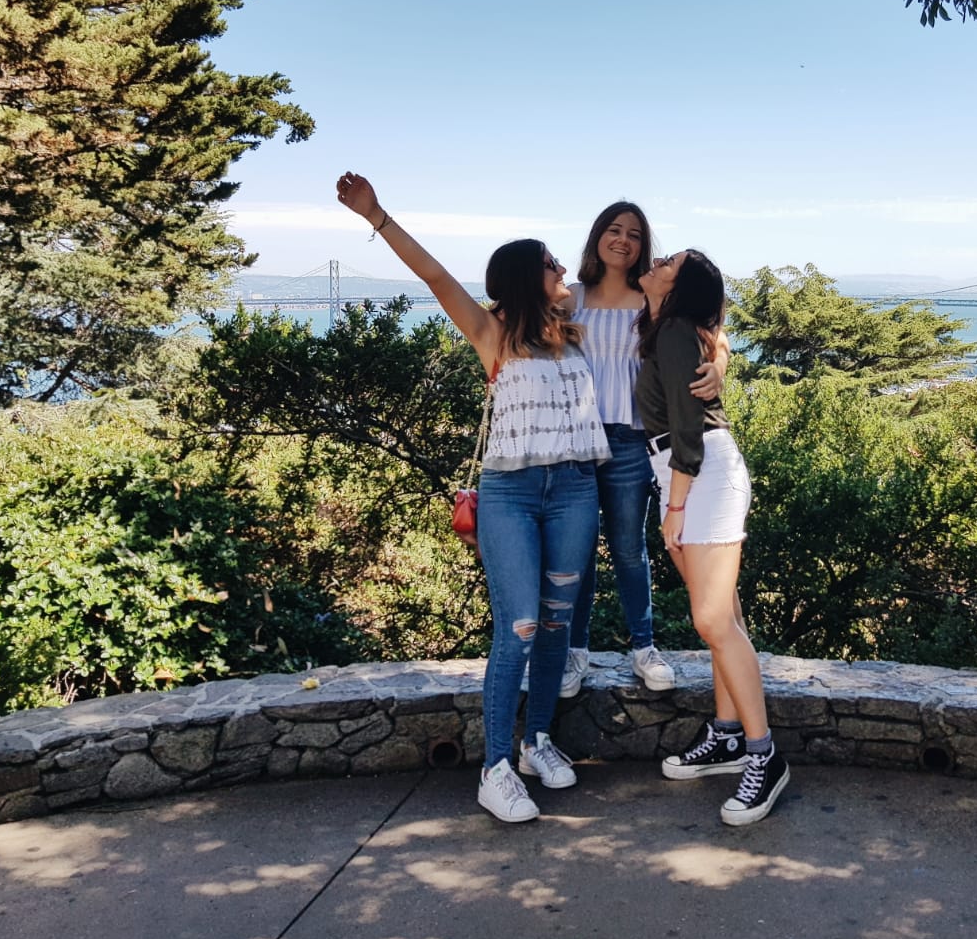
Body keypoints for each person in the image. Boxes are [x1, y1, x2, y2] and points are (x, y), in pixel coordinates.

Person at [336, 171, 605, 824]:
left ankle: (538, 740)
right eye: (550, 264)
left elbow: (634, 300)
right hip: (512, 493)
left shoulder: (574, 332)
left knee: (554, 624)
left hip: (575, 488)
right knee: (516, 626)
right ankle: (495, 769)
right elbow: (434, 276)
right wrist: (377, 214)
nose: (563, 268)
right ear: (523, 277)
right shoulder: (492, 334)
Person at [549, 202, 727, 698]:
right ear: (597, 237)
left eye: (633, 233)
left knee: (629, 549)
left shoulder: (655, 300)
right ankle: (574, 653)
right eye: (613, 230)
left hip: (630, 440)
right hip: (578, 441)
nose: (622, 240)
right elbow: (515, 322)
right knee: (578, 552)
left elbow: (712, 333)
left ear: (643, 244)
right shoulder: (572, 298)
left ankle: (644, 649)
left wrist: (721, 364)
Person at [636, 249, 788, 826]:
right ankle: (727, 735)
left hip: (699, 475)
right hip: (684, 474)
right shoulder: (662, 328)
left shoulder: (673, 331)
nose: (655, 257)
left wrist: (674, 507)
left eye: (668, 260)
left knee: (712, 621)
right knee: (724, 615)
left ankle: (762, 755)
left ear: (682, 287)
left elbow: (689, 430)